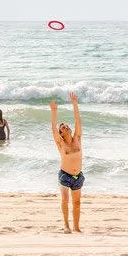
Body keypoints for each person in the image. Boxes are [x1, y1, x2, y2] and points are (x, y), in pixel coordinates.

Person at [51, 92, 83, 233]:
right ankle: (66, 225)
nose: (66, 127)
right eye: (63, 127)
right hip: (64, 175)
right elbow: (53, 128)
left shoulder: (77, 138)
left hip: (78, 176)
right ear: (61, 133)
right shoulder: (61, 144)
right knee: (65, 200)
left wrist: (74, 103)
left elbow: (77, 121)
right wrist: (54, 111)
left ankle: (76, 227)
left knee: (77, 203)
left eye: (66, 125)